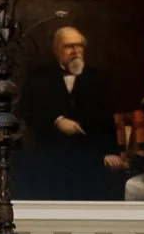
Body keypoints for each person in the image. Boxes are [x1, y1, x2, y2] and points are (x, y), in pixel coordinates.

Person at [20, 24, 116, 201]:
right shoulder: (39, 77)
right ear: (57, 49)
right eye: (68, 46)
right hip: (50, 157)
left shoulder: (98, 78)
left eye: (79, 45)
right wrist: (57, 121)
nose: (75, 51)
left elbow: (107, 118)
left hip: (91, 157)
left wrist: (110, 151)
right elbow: (28, 110)